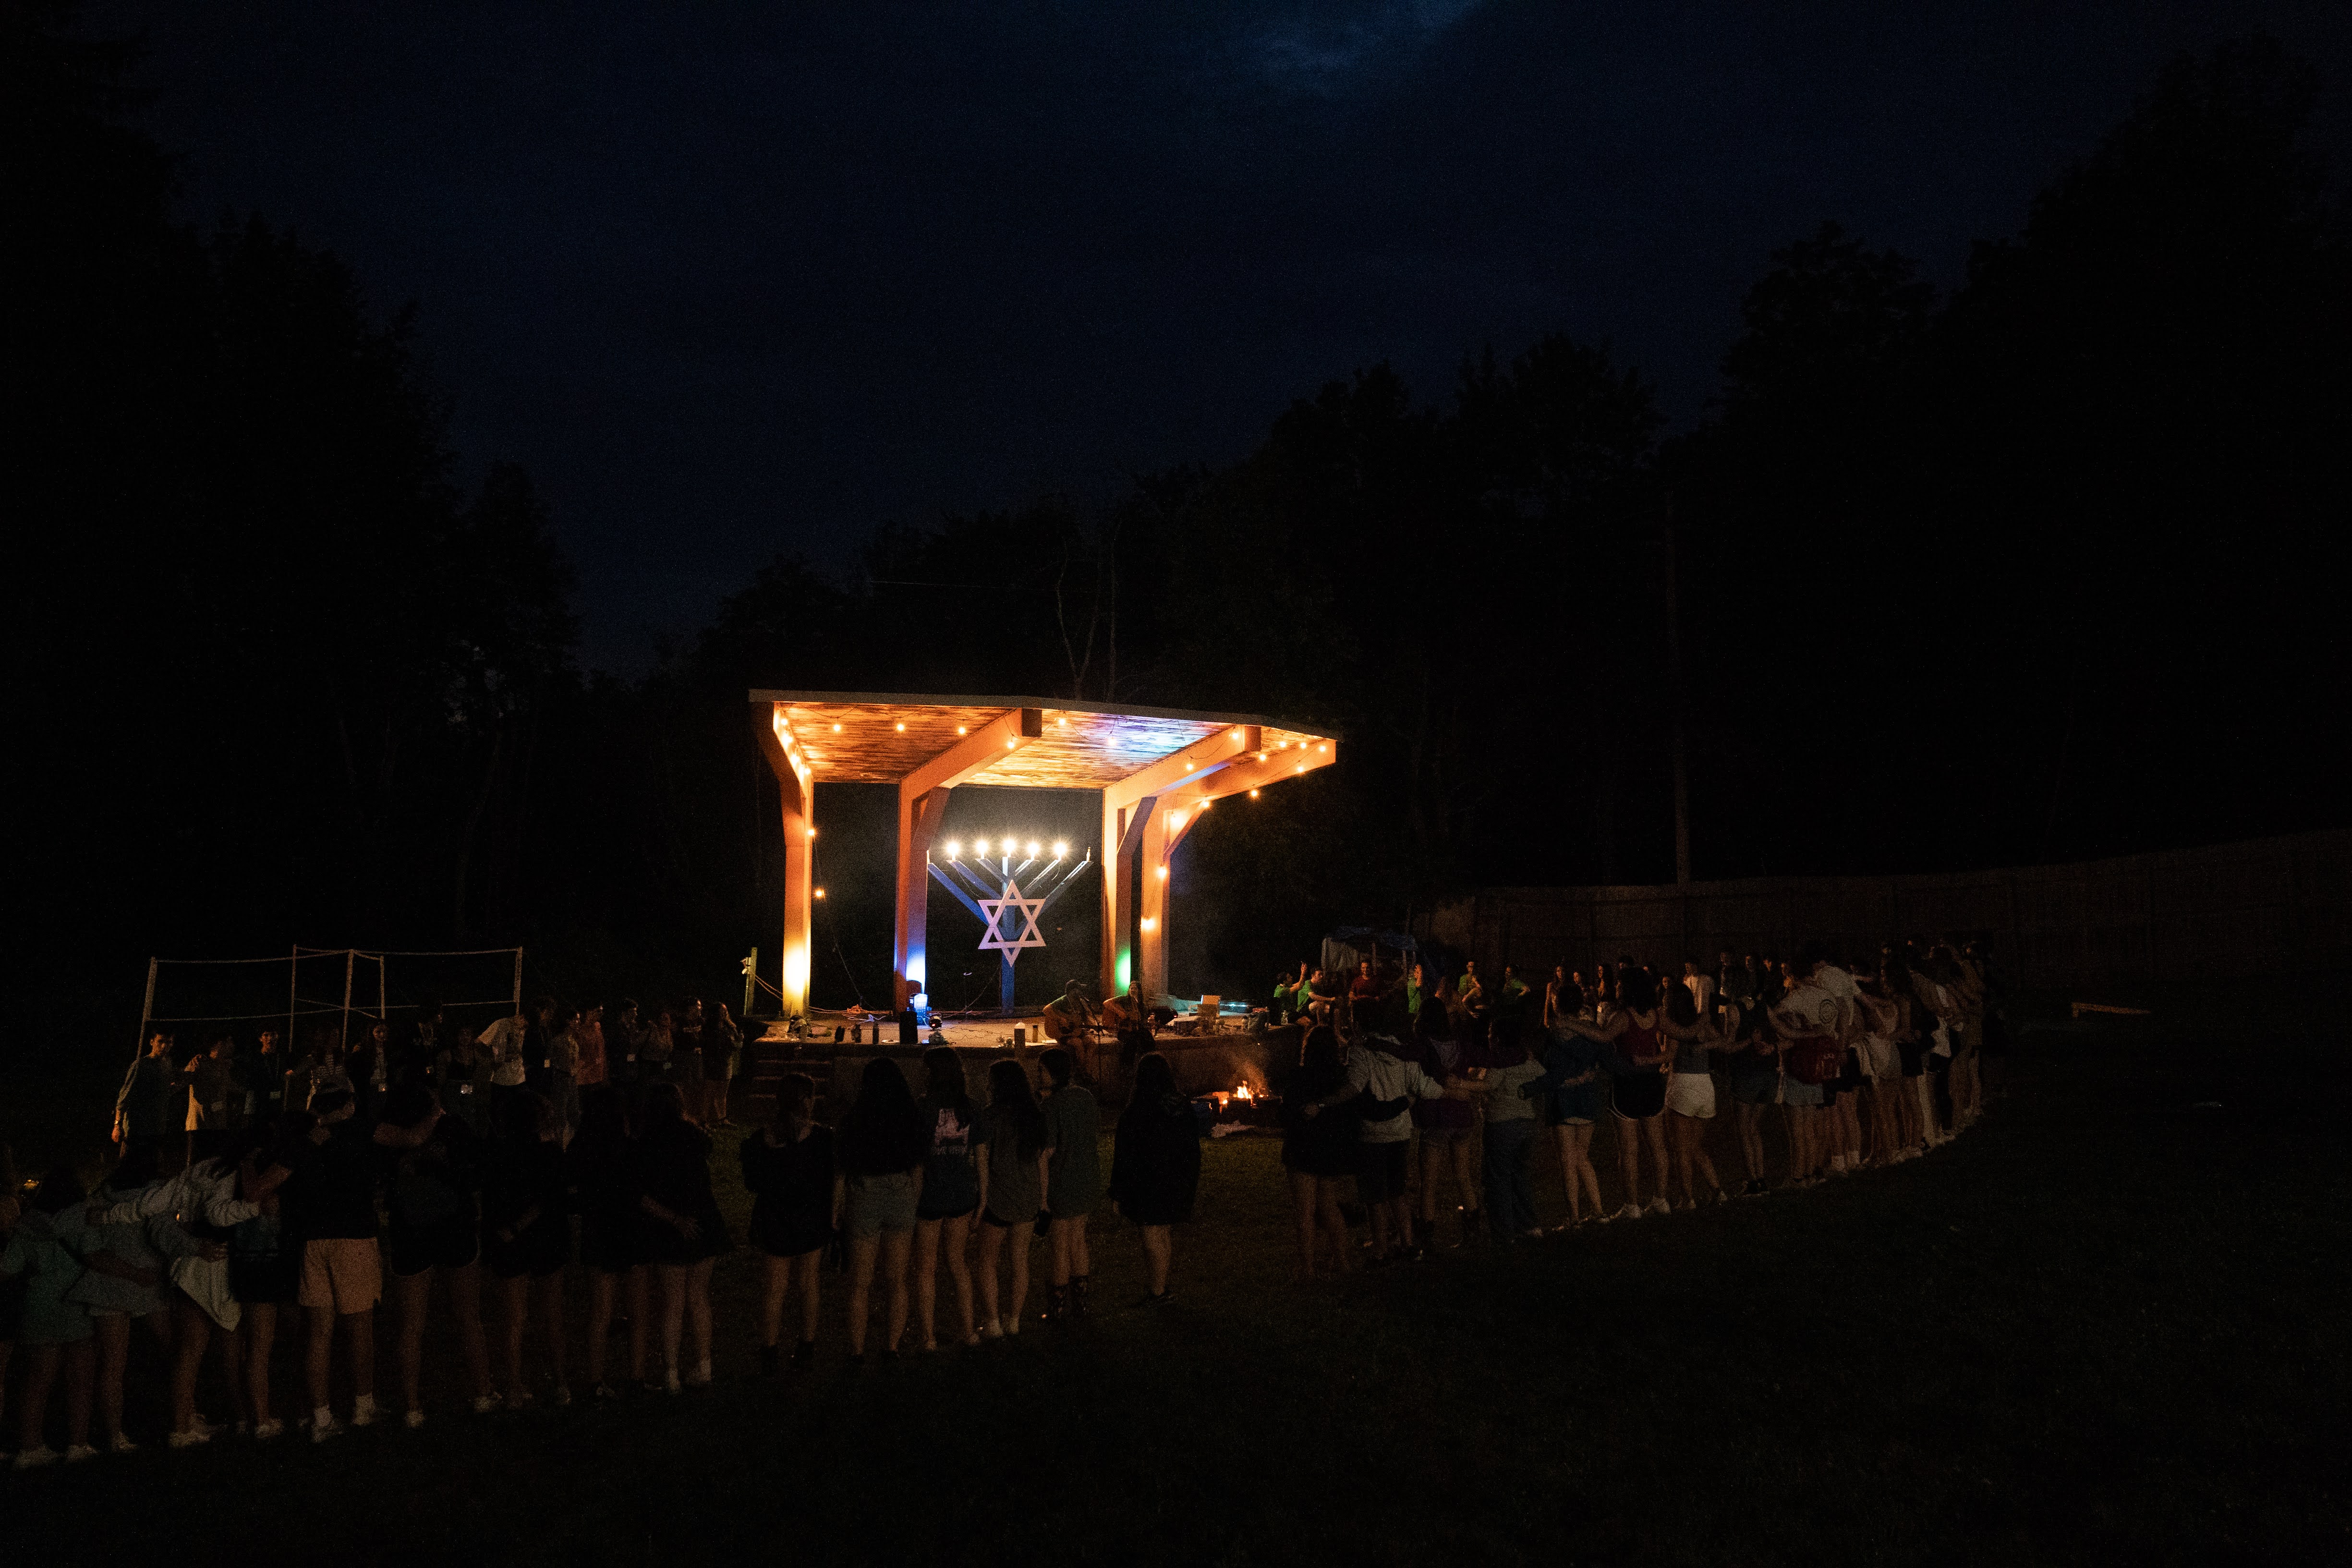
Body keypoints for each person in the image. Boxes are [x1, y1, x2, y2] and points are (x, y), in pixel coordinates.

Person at [1298, 996, 1455, 1265]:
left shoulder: (1362, 1052)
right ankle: (1408, 1244)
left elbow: (1355, 1087)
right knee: (1397, 1190)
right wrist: (1458, 1092)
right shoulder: (1401, 1050)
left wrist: (1322, 1103)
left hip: (1372, 1133)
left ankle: (1380, 1249)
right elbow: (1422, 1085)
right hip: (1401, 1131)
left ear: (1358, 1022)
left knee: (1374, 1195)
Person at [372, 1085, 496, 1426]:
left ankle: (413, 1407)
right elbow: (481, 1167)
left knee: (412, 1325)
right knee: (469, 1316)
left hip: (410, 1232)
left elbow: (383, 1178)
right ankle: (483, 1393)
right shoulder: (452, 1127)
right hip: (454, 1227)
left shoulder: (388, 1135)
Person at [281, 1077, 382, 1441]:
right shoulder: (359, 1134)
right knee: (359, 1330)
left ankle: (321, 1417)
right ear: (349, 1103)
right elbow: (408, 1140)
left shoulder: (305, 1142)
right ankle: (363, 1406)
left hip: (314, 1240)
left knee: (319, 1334)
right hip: (352, 1237)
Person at [70, 1150, 179, 1454]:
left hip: (114, 1286)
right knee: (177, 1350)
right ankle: (181, 1415)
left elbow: (92, 1252)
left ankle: (117, 1434)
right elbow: (165, 1237)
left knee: (113, 1366)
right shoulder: (152, 1198)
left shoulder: (98, 1199)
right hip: (142, 1282)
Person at [636, 1082, 728, 1391]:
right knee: (699, 1298)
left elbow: (642, 1196)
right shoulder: (695, 1137)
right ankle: (704, 1367)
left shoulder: (646, 1144)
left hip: (670, 1228)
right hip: (703, 1222)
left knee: (673, 1303)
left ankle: (672, 1374)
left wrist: (674, 1219)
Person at [483, 1090, 571, 1409]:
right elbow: (554, 1196)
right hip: (546, 1238)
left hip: (512, 1241)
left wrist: (508, 1229)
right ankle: (561, 1385)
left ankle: (515, 1389)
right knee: (552, 1315)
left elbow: (492, 1199)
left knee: (514, 1318)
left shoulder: (499, 1153)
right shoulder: (549, 1153)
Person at [836, 1057, 928, 1361]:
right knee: (897, 1279)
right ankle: (891, 1346)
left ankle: (857, 1350)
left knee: (860, 1283)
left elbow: (841, 1170)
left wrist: (836, 1211)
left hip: (864, 1193)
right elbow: (917, 1167)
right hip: (900, 1191)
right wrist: (914, 1200)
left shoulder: (855, 1118)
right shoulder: (908, 1116)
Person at [4, 1167, 97, 1467]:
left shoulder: (27, 1226)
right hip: (75, 1302)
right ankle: (78, 1445)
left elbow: (8, 1268)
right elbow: (95, 1255)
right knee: (80, 1380)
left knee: (38, 1381)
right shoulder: (83, 1219)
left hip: (39, 1305)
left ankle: (30, 1448)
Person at [742, 1073, 834, 1375]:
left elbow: (752, 1183)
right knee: (809, 1285)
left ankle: (769, 1351)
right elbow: (830, 1180)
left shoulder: (761, 1141)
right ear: (806, 1101)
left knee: (775, 1289)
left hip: (774, 1220)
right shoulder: (821, 1140)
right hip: (810, 1219)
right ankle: (806, 1346)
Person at [568, 1086, 650, 1398]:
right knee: (638, 1311)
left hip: (599, 1231)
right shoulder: (629, 1147)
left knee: (601, 1313)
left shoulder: (582, 1146)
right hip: (630, 1231)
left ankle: (595, 1382)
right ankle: (637, 1378)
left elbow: (570, 1182)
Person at [1108, 1051, 1201, 1303]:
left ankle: (1158, 1290)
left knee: (1152, 1235)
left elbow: (1124, 1156)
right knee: (1163, 1234)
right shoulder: (1180, 1106)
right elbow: (1193, 1145)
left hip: (1148, 1182)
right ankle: (1160, 1287)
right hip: (1175, 1180)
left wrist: (1118, 1193)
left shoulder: (1137, 1112)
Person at [911, 1047, 987, 1351]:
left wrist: (914, 1200)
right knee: (958, 1263)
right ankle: (969, 1331)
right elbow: (981, 1158)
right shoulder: (972, 1107)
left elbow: (917, 1163)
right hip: (961, 1194)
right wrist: (982, 1201)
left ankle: (928, 1338)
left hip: (930, 1195)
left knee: (926, 1266)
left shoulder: (923, 1109)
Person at [975, 1058, 1051, 1338]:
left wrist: (981, 1201)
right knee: (1020, 1260)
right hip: (1028, 1196)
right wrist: (1043, 1201)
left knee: (987, 1260)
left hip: (998, 1196)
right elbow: (1042, 1162)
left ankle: (993, 1322)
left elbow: (983, 1162)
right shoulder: (1035, 1116)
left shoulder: (991, 1117)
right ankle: (1014, 1320)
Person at [1278, 1026, 1358, 1278]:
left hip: (1303, 1148)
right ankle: (1342, 1261)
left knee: (1305, 1211)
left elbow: (1289, 1112)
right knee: (1329, 1206)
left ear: (1307, 1049)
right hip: (1330, 1148)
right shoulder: (1341, 1078)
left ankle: (1308, 1267)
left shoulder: (1299, 1077)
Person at [1465, 1021, 1549, 1242]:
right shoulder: (1524, 1059)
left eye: (1491, 1035)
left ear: (1499, 1040)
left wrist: (1459, 1083)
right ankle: (1529, 1225)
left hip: (1502, 1125)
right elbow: (1542, 1076)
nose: (1488, 1039)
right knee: (1520, 1175)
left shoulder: (1500, 1061)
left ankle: (1505, 1232)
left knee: (1498, 1178)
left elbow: (1488, 1086)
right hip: (1527, 1125)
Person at [1408, 1001, 1482, 1247]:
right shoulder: (1459, 1043)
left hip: (1437, 1116)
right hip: (1462, 1116)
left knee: (1429, 1182)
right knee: (1463, 1175)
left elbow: (1425, 1080)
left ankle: (1426, 1237)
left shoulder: (1424, 1046)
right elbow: (1476, 1064)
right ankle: (1473, 1232)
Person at [1527, 1009, 1606, 1227]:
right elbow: (1603, 1059)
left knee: (1569, 1159)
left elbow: (1547, 1069)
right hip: (1587, 1099)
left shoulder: (1555, 1037)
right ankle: (1598, 1211)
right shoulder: (1591, 1034)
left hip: (1565, 1102)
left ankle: (1575, 1216)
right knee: (1581, 1156)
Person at [1039, 1046, 1100, 1321]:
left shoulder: (1051, 1106)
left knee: (1060, 1245)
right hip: (1086, 1178)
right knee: (1079, 1239)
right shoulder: (1086, 1098)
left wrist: (1042, 1199)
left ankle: (1058, 1306)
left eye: (1041, 1070)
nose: (1038, 1076)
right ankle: (1083, 1303)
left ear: (1054, 1073)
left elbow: (1046, 1153)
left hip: (1062, 1182)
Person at [1661, 983, 1729, 1207]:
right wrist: (1704, 1047)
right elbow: (1721, 1041)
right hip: (1705, 1086)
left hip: (1683, 1084)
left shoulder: (1675, 1027)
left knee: (1681, 1150)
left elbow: (1670, 1055)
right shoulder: (1701, 1021)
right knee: (1696, 1146)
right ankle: (1718, 1191)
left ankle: (1687, 1199)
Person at [113, 1031, 175, 1166]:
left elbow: (165, 1091)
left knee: (151, 1167)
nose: (165, 1046)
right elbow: (125, 1096)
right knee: (129, 1165)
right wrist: (117, 1125)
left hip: (157, 1126)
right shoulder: (141, 1065)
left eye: (169, 1042)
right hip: (137, 1128)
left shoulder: (167, 1064)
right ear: (152, 1042)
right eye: (161, 1041)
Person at [183, 1033, 241, 1166]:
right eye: (230, 1042)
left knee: (215, 1165)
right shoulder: (199, 1063)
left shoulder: (225, 1066)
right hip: (200, 1126)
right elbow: (185, 1080)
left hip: (218, 1125)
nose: (232, 1046)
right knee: (196, 1167)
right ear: (220, 1044)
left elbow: (230, 1086)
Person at [705, 1001, 743, 1127]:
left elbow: (737, 1043)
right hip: (713, 1062)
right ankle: (709, 1120)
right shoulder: (709, 1027)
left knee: (722, 1093)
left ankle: (723, 1119)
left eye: (725, 1011)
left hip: (726, 1062)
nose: (724, 1013)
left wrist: (739, 1040)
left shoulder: (729, 1027)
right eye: (721, 1011)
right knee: (711, 1093)